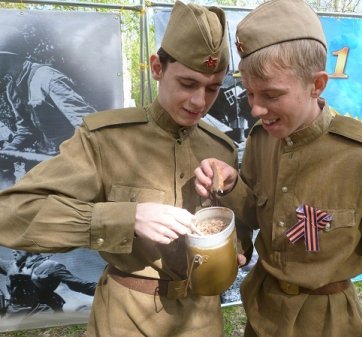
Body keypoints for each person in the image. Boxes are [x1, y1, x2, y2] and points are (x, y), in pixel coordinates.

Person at [194, 0, 362, 336]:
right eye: (250, 93)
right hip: (262, 315)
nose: (255, 109)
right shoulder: (262, 140)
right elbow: (257, 214)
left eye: (270, 94)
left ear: (317, 84)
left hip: (329, 324)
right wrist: (231, 188)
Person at [0, 2, 252, 336]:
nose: (199, 102)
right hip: (126, 319)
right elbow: (13, 214)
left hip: (201, 321)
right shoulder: (106, 139)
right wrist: (127, 218)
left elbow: (243, 239)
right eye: (188, 83)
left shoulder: (221, 147)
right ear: (157, 68)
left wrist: (234, 218)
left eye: (213, 87)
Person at [0, 25, 96, 156]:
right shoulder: (12, 88)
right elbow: (26, 130)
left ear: (6, 57)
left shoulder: (47, 78)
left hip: (72, 156)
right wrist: (11, 148)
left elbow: (87, 124)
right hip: (45, 156)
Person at [0, 250, 96, 316]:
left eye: (16, 246)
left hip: (42, 313)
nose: (12, 250)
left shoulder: (52, 266)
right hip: (13, 314)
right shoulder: (11, 266)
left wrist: (106, 290)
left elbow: (79, 285)